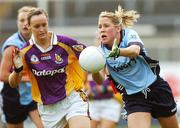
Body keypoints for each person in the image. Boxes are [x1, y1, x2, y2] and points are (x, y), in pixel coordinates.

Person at [92, 5, 179, 128]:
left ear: (118, 28)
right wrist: (94, 69)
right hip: (134, 97)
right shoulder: (99, 52)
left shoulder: (129, 34)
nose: (102, 29)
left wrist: (117, 52)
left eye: (106, 26)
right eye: (99, 27)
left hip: (156, 88)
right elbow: (100, 80)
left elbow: (135, 51)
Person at [8, 8, 91, 128]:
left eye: (44, 25)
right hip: (48, 109)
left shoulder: (65, 43)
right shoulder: (25, 52)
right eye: (37, 26)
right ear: (29, 27)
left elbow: (89, 56)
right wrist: (17, 69)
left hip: (72, 98)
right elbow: (13, 83)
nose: (41, 29)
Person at [0, 6, 43, 128]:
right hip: (14, 96)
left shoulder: (40, 41)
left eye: (27, 20)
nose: (25, 24)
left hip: (33, 96)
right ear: (17, 23)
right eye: (21, 20)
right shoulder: (12, 46)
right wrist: (29, 77)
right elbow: (2, 76)